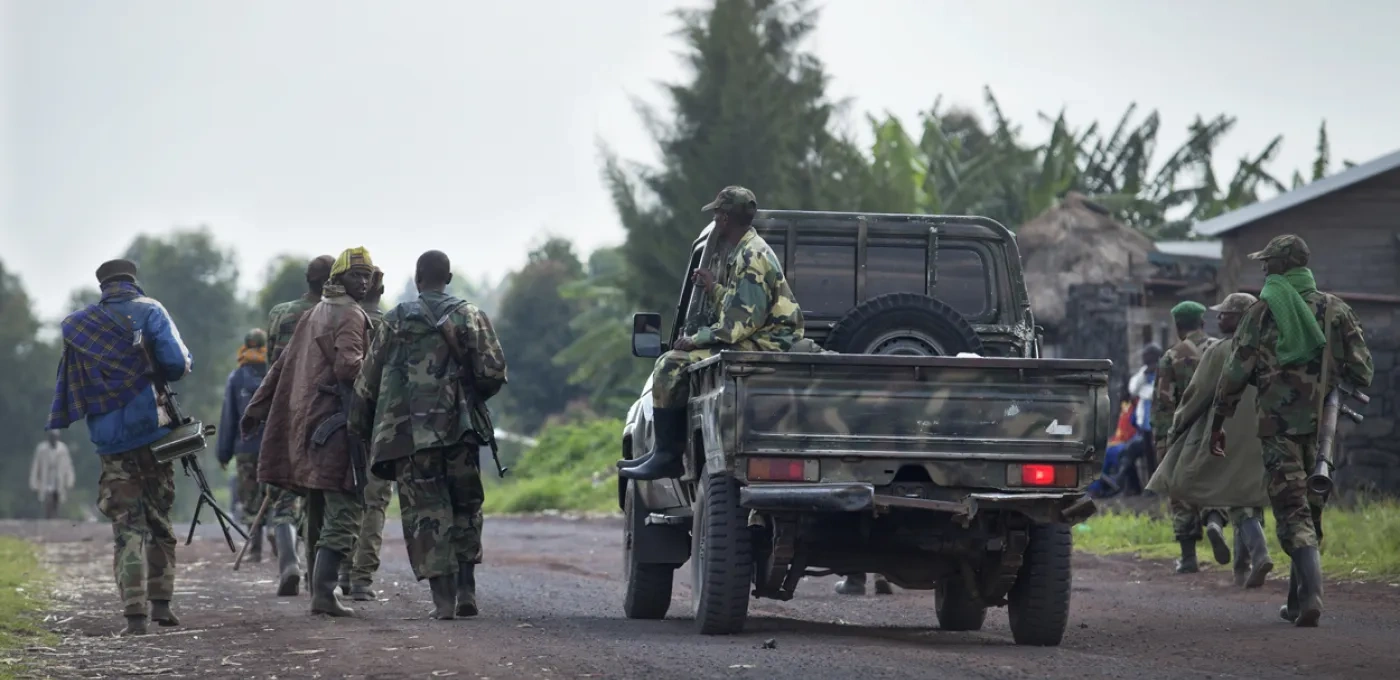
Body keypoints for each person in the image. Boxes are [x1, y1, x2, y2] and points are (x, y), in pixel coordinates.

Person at [1212, 235, 1372, 627]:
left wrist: (1218, 421)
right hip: (1324, 430)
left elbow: (1235, 373)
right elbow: (1363, 371)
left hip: (1279, 428)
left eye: (1268, 262)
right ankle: (1298, 602)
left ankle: (1312, 596)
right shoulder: (1337, 310)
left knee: (1291, 510)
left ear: (1282, 266)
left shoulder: (1264, 311)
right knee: (1311, 508)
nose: (1263, 268)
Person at [351, 251, 507, 619]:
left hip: (409, 436)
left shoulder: (396, 320)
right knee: (465, 507)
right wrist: (467, 395)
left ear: (418, 279)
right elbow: (494, 372)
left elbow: (367, 382)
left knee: (425, 512)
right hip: (460, 431)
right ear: (448, 277)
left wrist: (358, 427)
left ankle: (443, 601)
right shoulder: (470, 315)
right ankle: (467, 589)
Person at [47, 259, 192, 636]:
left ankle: (134, 615)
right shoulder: (151, 310)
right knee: (159, 519)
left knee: (127, 527)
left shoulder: (80, 326)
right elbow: (177, 363)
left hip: (110, 441)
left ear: (103, 287)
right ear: (132, 281)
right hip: (153, 433)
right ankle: (162, 604)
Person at [619, 186, 803, 481]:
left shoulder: (751, 257)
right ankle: (662, 453)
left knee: (671, 363)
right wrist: (713, 288)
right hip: (761, 337)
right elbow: (740, 304)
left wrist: (695, 338)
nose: (715, 218)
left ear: (726, 218)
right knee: (678, 359)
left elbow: (736, 326)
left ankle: (668, 457)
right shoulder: (746, 249)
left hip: (767, 344)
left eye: (718, 213)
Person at [243, 247, 376, 617]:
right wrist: (380, 375)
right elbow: (351, 368)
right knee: (347, 509)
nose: (363, 281)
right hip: (337, 427)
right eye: (356, 275)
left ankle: (321, 592)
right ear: (338, 278)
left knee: (317, 506)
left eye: (367, 275)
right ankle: (324, 591)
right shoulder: (349, 314)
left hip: (308, 427)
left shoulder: (317, 311)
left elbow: (280, 364)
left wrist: (256, 406)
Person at [1147, 293, 1273, 587]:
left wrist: (1174, 429)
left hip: (1217, 429)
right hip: (1261, 428)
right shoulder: (1267, 348)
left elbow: (1189, 397)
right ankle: (1245, 558)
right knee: (1245, 493)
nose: (1219, 319)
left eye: (1225, 314)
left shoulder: (1213, 352)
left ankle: (1195, 550)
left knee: (1192, 484)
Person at [259, 254, 334, 597]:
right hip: (321, 414)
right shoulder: (336, 314)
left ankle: (288, 561)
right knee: (318, 494)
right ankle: (317, 574)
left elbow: (271, 366)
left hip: (284, 410)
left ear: (307, 279)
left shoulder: (280, 313)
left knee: (283, 496)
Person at [1151, 301, 1229, 574]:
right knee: (1214, 483)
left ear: (1177, 326)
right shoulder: (1222, 349)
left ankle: (1188, 558)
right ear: (1202, 323)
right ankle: (1215, 521)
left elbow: (1164, 402)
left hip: (1183, 433)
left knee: (1181, 491)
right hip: (1220, 429)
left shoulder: (1171, 357)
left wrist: (1162, 443)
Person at [339, 267, 394, 602]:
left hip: (343, 423)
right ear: (383, 289)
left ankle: (342, 569)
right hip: (382, 426)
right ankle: (362, 579)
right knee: (375, 502)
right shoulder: (391, 325)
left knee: (346, 498)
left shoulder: (342, 320)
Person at [217, 329, 270, 561]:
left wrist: (223, 453)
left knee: (249, 498)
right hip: (273, 448)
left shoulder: (237, 377)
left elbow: (229, 418)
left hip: (246, 449)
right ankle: (280, 540)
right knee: (273, 493)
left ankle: (255, 548)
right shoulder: (275, 372)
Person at [30, 430, 76, 519]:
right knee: (47, 497)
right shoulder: (42, 449)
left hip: (58, 477)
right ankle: (48, 515)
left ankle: (55, 516)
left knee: (57, 496)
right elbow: (36, 465)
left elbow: (68, 465)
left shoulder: (62, 449)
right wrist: (34, 481)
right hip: (46, 476)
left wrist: (70, 480)